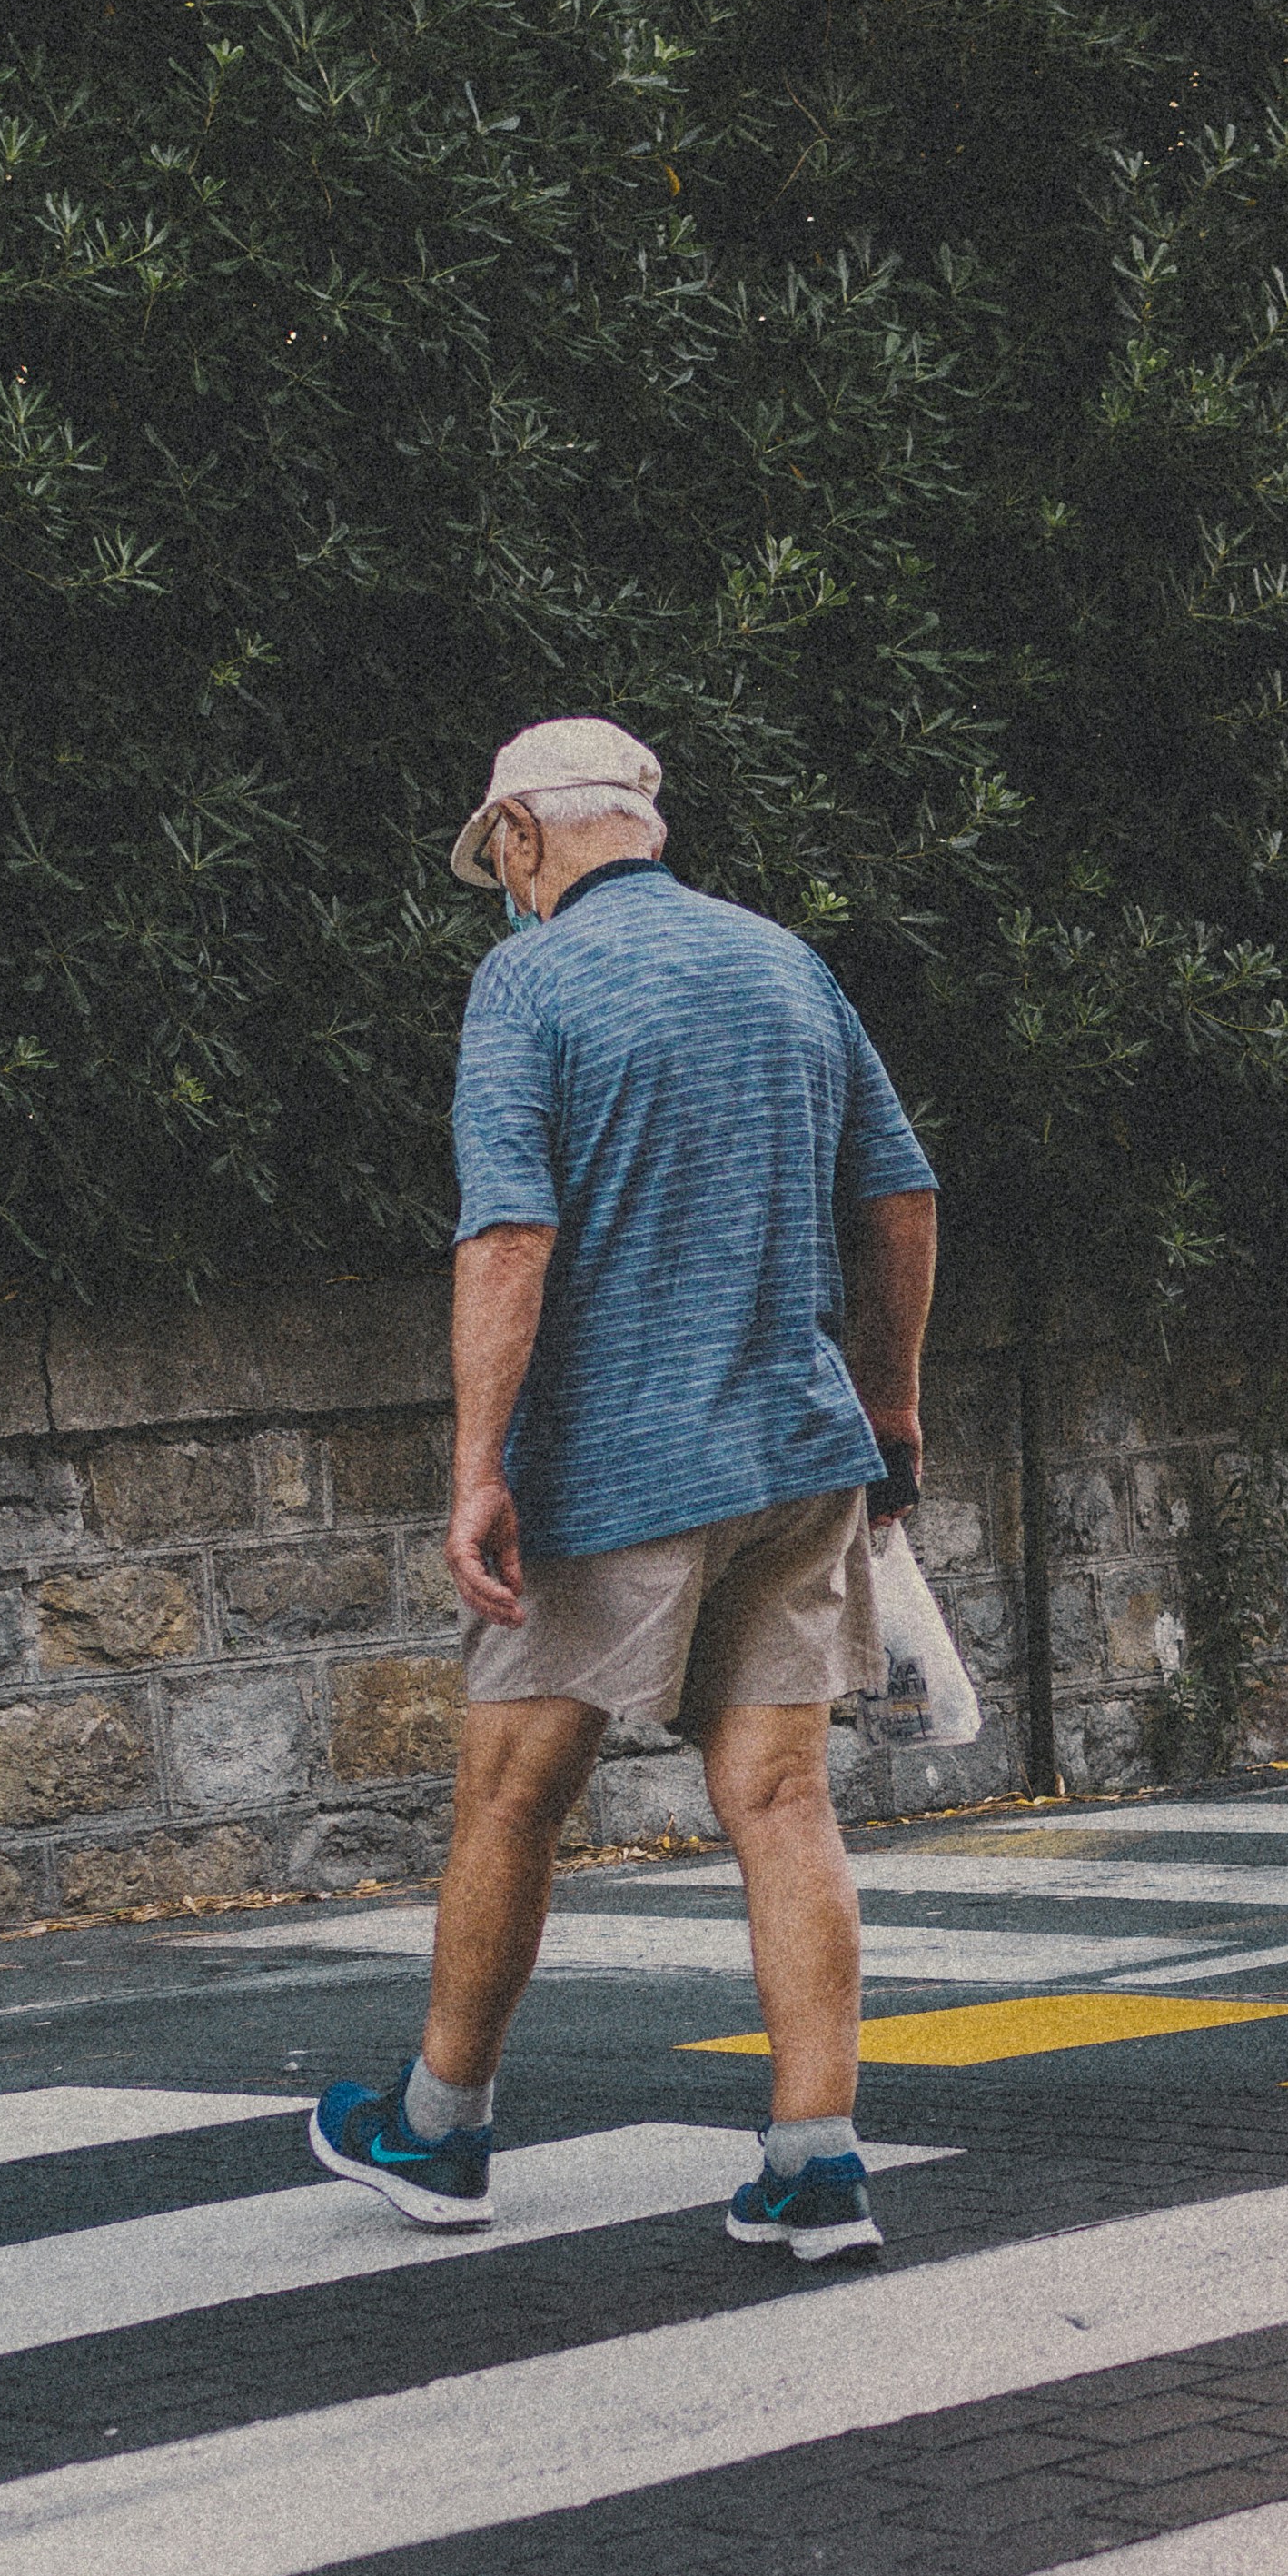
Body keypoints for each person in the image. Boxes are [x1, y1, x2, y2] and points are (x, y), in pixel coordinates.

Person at [309, 716, 937, 2263]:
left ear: (524, 835)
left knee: (514, 1793)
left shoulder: (530, 978)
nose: (502, 889)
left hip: (620, 1463)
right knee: (784, 1801)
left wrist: (477, 1467)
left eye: (498, 861)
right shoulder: (786, 964)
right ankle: (816, 2158)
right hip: (799, 1452)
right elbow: (903, 1191)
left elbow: (507, 1237)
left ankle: (442, 2131)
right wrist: (894, 1399)